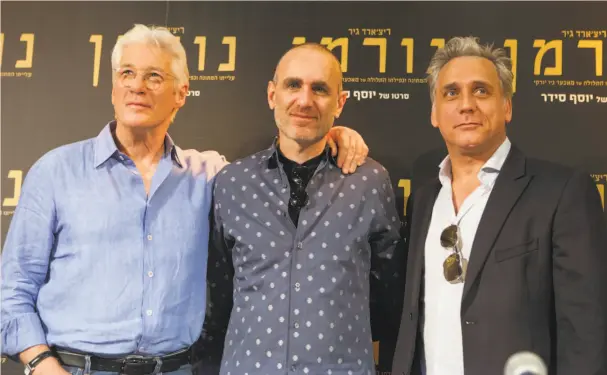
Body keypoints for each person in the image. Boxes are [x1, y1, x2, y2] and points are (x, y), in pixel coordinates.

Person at [0, 24, 369, 375]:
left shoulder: (211, 177)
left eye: (154, 77)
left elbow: (293, 151)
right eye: (127, 74)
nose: (137, 87)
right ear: (113, 87)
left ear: (181, 94)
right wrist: (41, 364)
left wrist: (331, 133)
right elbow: (13, 290)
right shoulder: (55, 172)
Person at [391, 36, 607, 375]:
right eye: (451, 93)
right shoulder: (424, 199)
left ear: (506, 105)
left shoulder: (562, 192)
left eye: (481, 91)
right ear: (434, 113)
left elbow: (586, 332)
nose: (466, 105)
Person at [205, 43, 406, 375]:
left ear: (340, 103)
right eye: (293, 85)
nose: (305, 100)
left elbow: (389, 297)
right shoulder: (231, 184)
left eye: (320, 89)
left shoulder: (369, 182)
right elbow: (218, 296)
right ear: (272, 95)